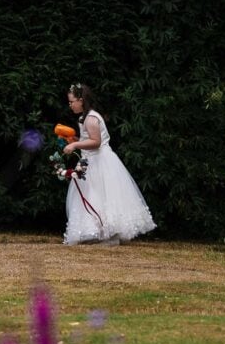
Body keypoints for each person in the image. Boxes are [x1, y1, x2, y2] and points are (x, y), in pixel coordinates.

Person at [62, 83, 155, 245]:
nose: (70, 105)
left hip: (100, 161)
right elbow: (88, 140)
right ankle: (98, 231)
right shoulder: (84, 118)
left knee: (101, 194)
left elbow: (96, 142)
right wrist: (75, 140)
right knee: (95, 195)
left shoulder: (91, 118)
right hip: (91, 160)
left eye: (72, 102)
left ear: (81, 100)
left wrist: (75, 145)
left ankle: (107, 232)